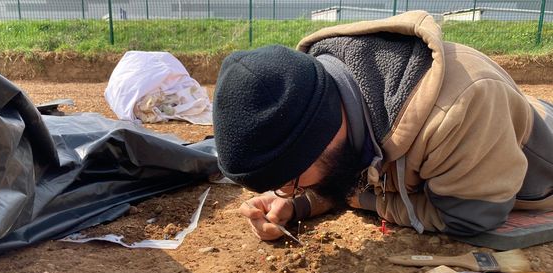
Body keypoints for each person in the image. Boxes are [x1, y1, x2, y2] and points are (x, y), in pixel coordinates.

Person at [212, 10, 553, 242]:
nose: (291, 190)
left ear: (324, 137)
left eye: (292, 183)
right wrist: (297, 204)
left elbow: (469, 217)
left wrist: (361, 201)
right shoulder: (329, 96)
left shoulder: (461, 110)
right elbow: (350, 170)